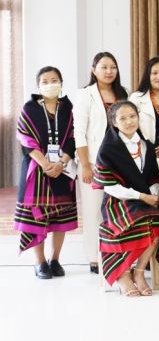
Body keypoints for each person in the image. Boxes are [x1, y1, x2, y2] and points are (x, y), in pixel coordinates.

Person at [92, 101, 159, 295]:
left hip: (144, 199)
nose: (129, 121)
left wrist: (152, 195)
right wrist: (141, 196)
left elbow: (153, 178)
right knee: (138, 219)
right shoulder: (108, 149)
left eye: (132, 116)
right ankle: (123, 275)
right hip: (117, 201)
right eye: (123, 118)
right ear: (114, 122)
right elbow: (110, 186)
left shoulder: (146, 145)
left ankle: (139, 272)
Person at [15, 67, 77, 279]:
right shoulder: (29, 108)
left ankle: (55, 259)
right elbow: (25, 138)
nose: (50, 83)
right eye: (45, 81)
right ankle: (40, 262)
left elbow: (73, 138)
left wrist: (61, 162)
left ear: (61, 82)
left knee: (61, 218)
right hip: (36, 170)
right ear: (38, 85)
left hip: (62, 169)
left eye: (54, 80)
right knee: (36, 218)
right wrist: (44, 163)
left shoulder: (69, 108)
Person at [73, 52, 129, 274]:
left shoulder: (123, 93)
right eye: (104, 67)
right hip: (94, 162)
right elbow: (79, 132)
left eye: (113, 67)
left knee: (118, 209)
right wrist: (85, 164)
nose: (109, 71)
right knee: (94, 210)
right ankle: (96, 257)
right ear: (93, 70)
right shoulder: (85, 95)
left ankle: (119, 252)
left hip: (119, 162)